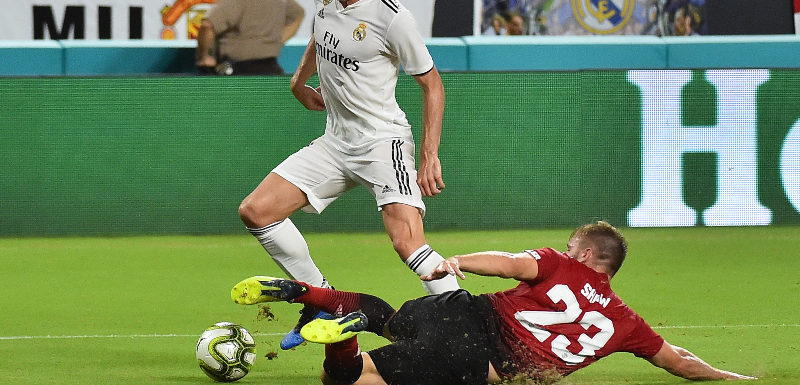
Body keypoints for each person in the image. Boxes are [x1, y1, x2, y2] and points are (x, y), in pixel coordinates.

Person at [236, 0, 459, 350]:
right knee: (257, 211)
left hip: (382, 143)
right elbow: (321, 36)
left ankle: (469, 322)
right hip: (335, 142)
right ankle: (324, 301)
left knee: (407, 242)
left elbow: (432, 85)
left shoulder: (392, 17)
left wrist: (429, 155)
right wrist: (298, 79)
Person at [231, 222, 756, 384]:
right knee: (341, 380)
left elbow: (508, 262)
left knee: (388, 314)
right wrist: (735, 379)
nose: (567, 248)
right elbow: (680, 362)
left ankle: (319, 299)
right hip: (475, 359)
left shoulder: (559, 262)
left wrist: (459, 260)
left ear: (590, 254)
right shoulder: (626, 324)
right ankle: (342, 338)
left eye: (574, 245)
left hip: (459, 310)